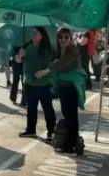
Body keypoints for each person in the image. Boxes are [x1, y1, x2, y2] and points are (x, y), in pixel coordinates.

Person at [35, 27, 86, 155]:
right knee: (66, 113)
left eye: (66, 37)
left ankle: (70, 146)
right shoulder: (60, 50)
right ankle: (73, 141)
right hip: (64, 87)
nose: (63, 40)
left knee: (71, 116)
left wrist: (45, 71)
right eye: (61, 37)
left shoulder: (73, 51)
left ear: (71, 38)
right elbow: (54, 61)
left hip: (72, 87)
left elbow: (61, 64)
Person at [16, 27, 56, 141]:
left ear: (42, 35)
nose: (33, 35)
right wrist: (20, 55)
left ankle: (51, 132)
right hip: (29, 83)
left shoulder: (49, 48)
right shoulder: (26, 46)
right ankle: (30, 130)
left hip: (44, 84)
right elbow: (18, 61)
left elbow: (55, 63)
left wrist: (45, 71)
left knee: (47, 108)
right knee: (31, 108)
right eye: (32, 32)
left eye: (36, 33)